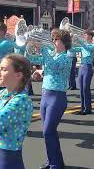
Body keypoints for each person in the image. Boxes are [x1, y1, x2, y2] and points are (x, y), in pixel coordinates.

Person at [25, 29, 72, 169]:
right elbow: (33, 59)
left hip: (57, 97)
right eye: (53, 39)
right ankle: (54, 161)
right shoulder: (50, 54)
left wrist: (43, 47)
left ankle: (55, 163)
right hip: (45, 96)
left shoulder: (66, 57)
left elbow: (53, 65)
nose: (53, 42)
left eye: (56, 40)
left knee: (48, 131)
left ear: (64, 43)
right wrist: (29, 46)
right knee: (49, 132)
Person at [71, 30, 94, 115]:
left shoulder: (93, 45)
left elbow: (87, 48)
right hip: (81, 67)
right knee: (81, 89)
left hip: (88, 67)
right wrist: (70, 40)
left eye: (85, 35)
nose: (84, 36)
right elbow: (72, 49)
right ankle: (82, 108)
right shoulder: (82, 46)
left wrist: (79, 41)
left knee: (86, 88)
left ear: (90, 36)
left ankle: (88, 108)